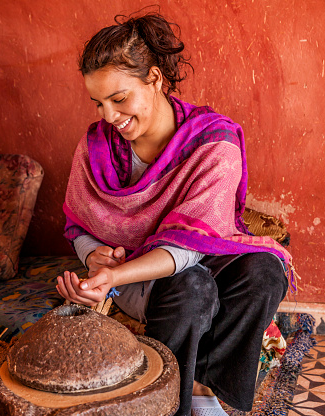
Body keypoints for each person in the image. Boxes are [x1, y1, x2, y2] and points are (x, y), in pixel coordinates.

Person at [56, 11, 293, 416]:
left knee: (264, 272)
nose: (109, 116)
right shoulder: (94, 147)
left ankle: (204, 389)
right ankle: (172, 406)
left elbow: (188, 247)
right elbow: (79, 225)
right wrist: (93, 257)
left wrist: (112, 274)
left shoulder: (213, 142)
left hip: (170, 260)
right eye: (98, 103)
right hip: (138, 275)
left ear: (154, 78)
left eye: (119, 99)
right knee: (192, 287)